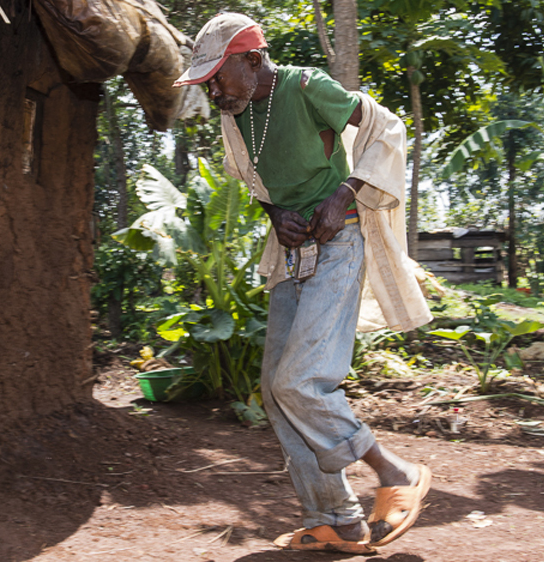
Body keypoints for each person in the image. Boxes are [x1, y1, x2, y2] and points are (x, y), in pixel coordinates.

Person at [173, 13, 435, 554]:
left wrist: (344, 195)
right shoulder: (236, 112)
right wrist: (275, 214)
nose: (213, 90)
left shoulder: (308, 86)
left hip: (340, 245)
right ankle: (338, 519)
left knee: (301, 381)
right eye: (207, 80)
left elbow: (387, 127)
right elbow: (255, 179)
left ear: (251, 58)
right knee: (276, 390)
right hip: (294, 255)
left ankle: (395, 473)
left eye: (218, 75)